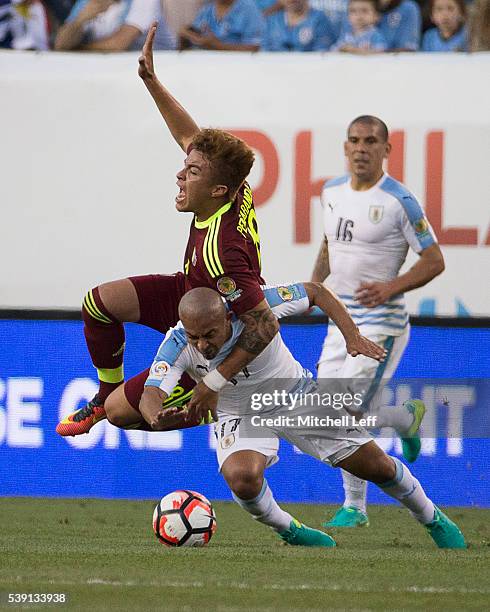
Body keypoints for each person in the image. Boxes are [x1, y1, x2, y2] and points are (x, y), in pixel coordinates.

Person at [105, 286, 465, 549]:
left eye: (210, 335)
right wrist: (155, 418)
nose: (202, 346)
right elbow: (152, 392)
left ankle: (432, 518)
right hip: (238, 413)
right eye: (194, 336)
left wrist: (351, 335)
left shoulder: (259, 306)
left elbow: (316, 292)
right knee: (242, 478)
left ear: (227, 317)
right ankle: (291, 531)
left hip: (294, 396)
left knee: (378, 467)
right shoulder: (178, 341)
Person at [56, 23, 279, 437]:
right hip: (188, 290)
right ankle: (105, 393)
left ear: (216, 189)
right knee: (98, 303)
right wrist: (151, 82)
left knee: (126, 414)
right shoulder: (231, 186)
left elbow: (263, 325)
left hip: (213, 327)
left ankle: (217, 400)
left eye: (190, 172)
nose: (179, 175)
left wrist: (214, 380)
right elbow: (189, 137)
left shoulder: (223, 253)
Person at [311, 115, 445, 528]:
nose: (361, 148)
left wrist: (390, 287)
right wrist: (314, 287)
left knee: (346, 411)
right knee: (323, 413)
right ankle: (402, 418)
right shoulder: (331, 191)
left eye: (371, 141)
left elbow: (435, 260)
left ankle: (355, 507)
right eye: (354, 140)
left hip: (382, 321)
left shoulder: (398, 201)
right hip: (342, 320)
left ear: (387, 149)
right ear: (345, 146)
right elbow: (329, 244)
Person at [54, 0, 175, 51]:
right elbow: (60, 44)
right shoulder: (87, 2)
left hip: (156, 73)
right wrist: (80, 20)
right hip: (112, 73)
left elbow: (117, 44)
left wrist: (76, 50)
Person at [179, 0, 265, 51]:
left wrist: (218, 46)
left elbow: (254, 48)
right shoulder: (207, 9)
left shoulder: (248, 9)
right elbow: (196, 35)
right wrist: (186, 35)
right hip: (207, 67)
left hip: (239, 69)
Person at [262, 0, 335, 51]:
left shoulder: (319, 19)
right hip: (275, 70)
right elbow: (265, 50)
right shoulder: (273, 21)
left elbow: (322, 52)